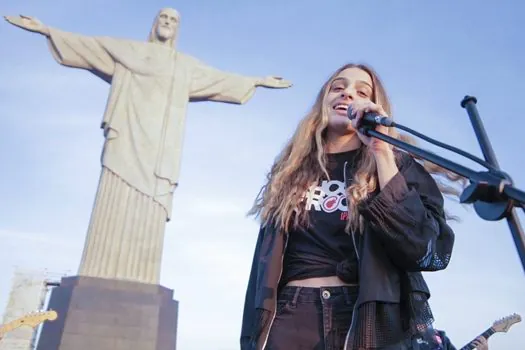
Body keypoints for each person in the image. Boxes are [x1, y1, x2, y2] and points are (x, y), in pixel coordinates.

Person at [240, 63, 463, 349]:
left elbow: (425, 249)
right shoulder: (290, 171)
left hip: (366, 318)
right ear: (323, 101)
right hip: (292, 314)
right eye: (338, 87)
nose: (347, 94)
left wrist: (381, 152)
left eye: (361, 91)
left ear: (374, 108)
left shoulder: (395, 166)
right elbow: (261, 271)